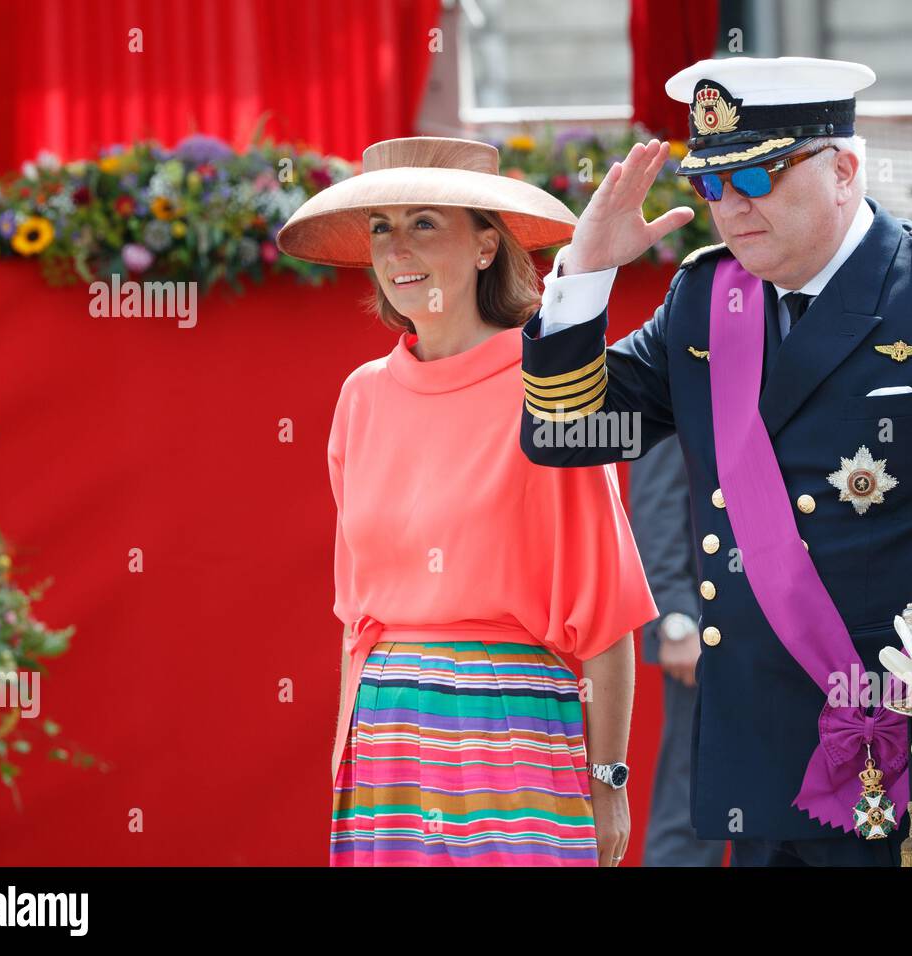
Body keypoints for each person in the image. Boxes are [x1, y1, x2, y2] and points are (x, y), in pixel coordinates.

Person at [519, 57, 912, 866]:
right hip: (765, 754)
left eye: (756, 176)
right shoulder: (706, 299)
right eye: (711, 185)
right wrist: (586, 271)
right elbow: (568, 433)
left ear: (843, 168)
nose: (731, 208)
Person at [277, 136, 659, 867]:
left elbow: (608, 614)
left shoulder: (548, 384)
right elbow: (357, 619)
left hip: (512, 735)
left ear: (487, 246)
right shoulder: (360, 397)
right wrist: (345, 754)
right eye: (381, 227)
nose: (396, 249)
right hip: (385, 737)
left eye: (423, 222)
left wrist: (609, 779)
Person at [629, 434, 726, 866]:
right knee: (691, 806)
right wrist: (676, 617)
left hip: (797, 631)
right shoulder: (690, 365)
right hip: (709, 632)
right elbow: (659, 499)